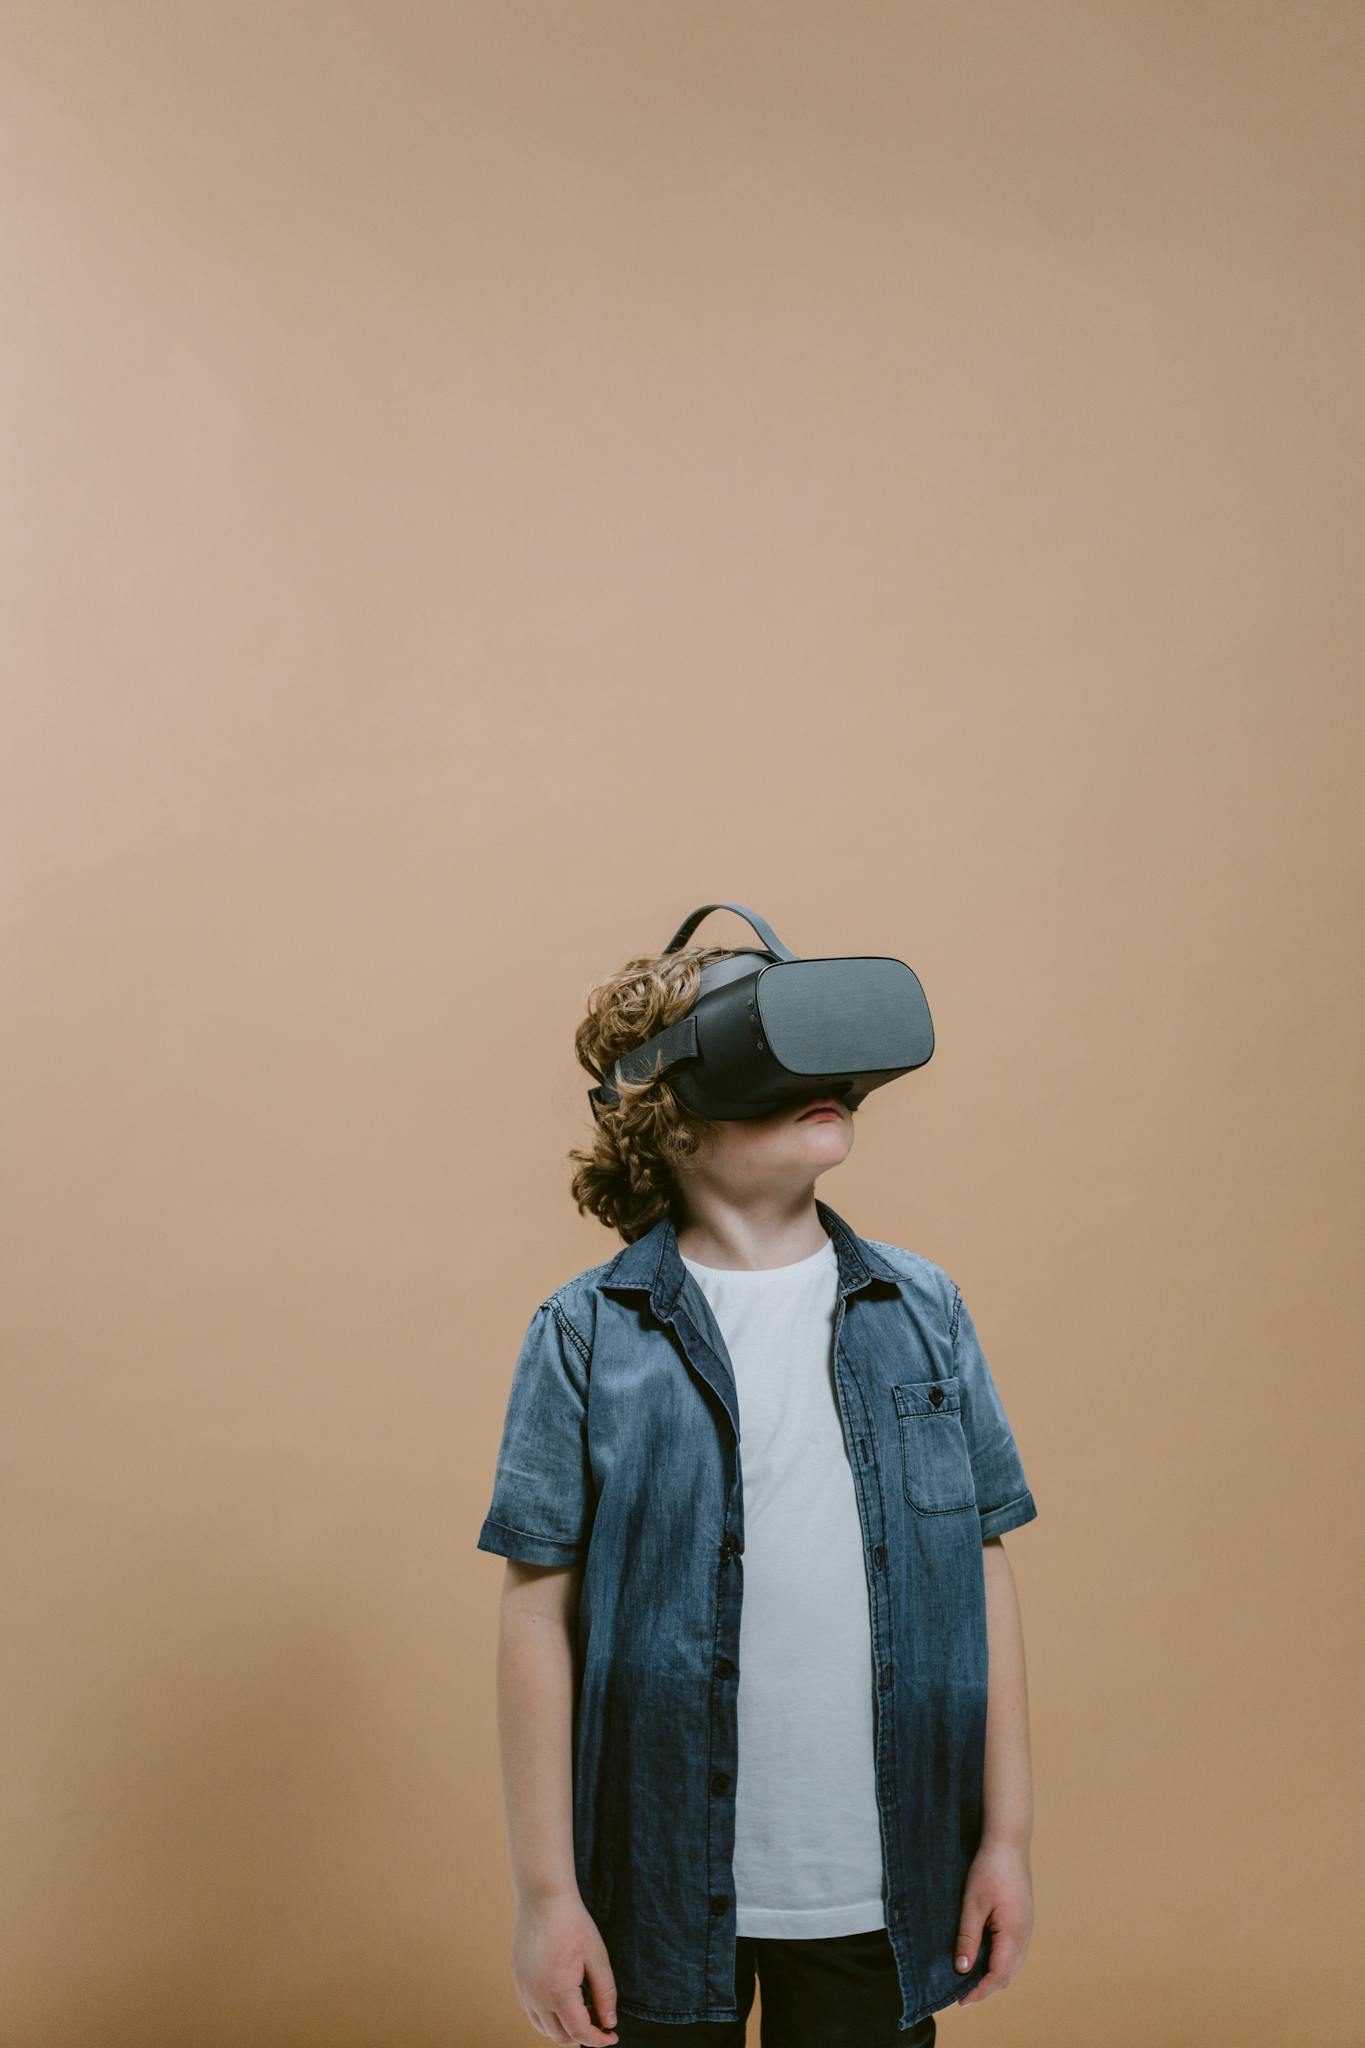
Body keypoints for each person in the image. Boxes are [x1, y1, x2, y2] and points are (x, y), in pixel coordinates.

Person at [476, 938, 1040, 2046]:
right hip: (661, 1882)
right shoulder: (584, 1335)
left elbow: (984, 1567)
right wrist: (549, 1894)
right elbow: (535, 1610)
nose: (822, 1076)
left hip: (882, 1878)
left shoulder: (926, 1310)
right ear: (669, 1109)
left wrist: (1005, 1836)